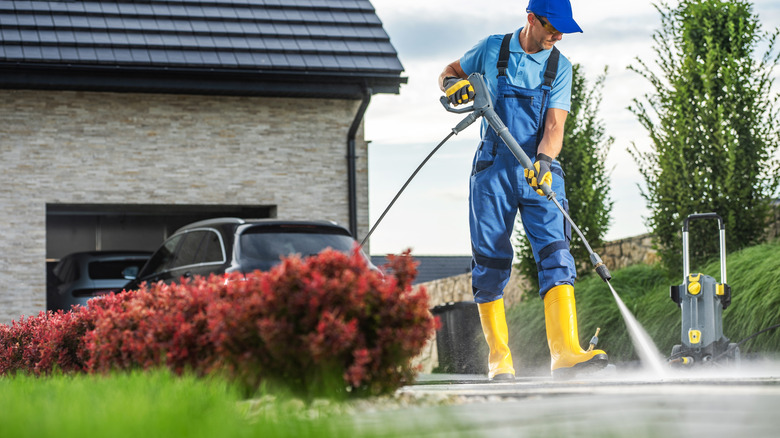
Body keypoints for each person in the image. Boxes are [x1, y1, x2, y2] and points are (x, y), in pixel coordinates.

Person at [438, 0, 608, 380]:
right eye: (552, 27)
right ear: (531, 18)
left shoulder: (559, 65)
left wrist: (545, 162)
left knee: (556, 255)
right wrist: (455, 86)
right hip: (493, 171)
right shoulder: (491, 49)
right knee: (491, 262)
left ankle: (565, 354)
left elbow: (554, 127)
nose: (558, 35)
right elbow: (448, 74)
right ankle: (500, 360)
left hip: (539, 171)